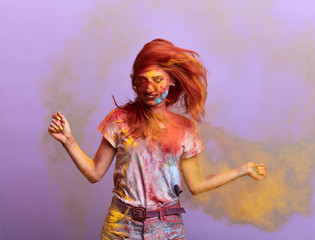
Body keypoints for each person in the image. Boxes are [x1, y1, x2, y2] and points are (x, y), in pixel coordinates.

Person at [48, 39, 267, 240]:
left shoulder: (185, 128)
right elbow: (95, 174)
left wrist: (243, 170)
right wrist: (68, 141)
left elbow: (197, 185)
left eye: (157, 79)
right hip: (121, 227)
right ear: (135, 83)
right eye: (142, 80)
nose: (149, 88)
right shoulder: (119, 120)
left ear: (172, 80)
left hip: (167, 229)